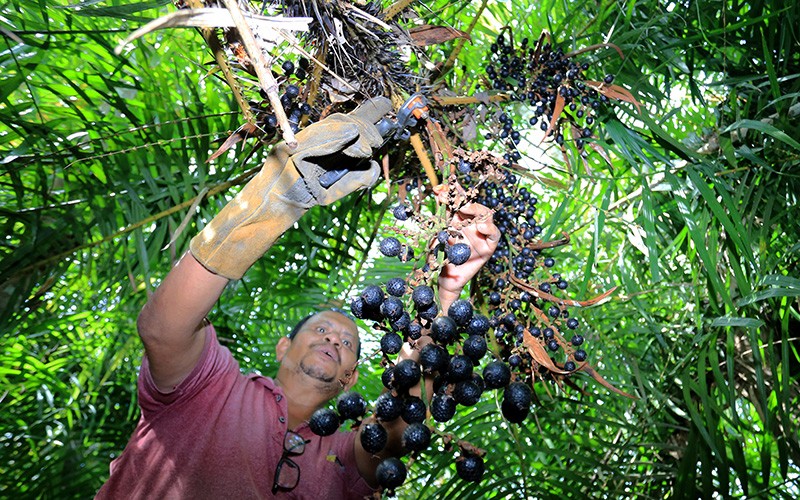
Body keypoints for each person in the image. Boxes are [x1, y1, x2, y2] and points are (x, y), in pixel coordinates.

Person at [96, 97, 500, 499]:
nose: (333, 339)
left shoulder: (345, 456)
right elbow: (164, 330)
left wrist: (445, 291)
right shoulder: (212, 387)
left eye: (346, 344)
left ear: (350, 377)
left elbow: (398, 434)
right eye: (322, 331)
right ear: (283, 346)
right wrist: (276, 199)